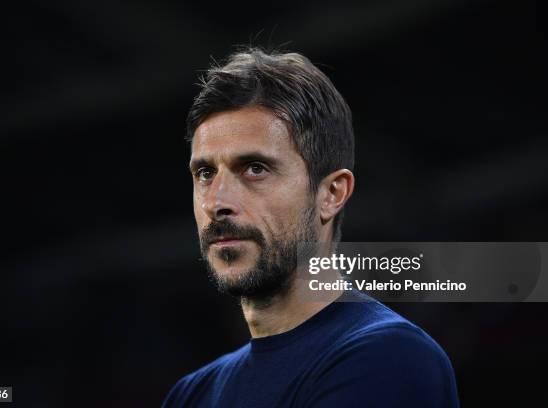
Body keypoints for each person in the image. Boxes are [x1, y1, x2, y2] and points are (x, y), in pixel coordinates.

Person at [163, 47, 459, 407]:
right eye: (205, 173)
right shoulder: (191, 395)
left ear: (331, 194)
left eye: (255, 168)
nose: (216, 201)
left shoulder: (388, 357)